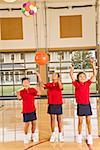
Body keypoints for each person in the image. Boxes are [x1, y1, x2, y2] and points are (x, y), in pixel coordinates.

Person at [69, 58, 96, 144]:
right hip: (80, 105)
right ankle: (79, 135)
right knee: (80, 122)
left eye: (84, 76)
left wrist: (92, 65)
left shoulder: (87, 83)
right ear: (78, 78)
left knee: (88, 121)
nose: (82, 77)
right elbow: (71, 75)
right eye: (80, 76)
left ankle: (89, 136)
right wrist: (72, 68)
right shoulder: (76, 84)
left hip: (87, 105)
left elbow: (95, 74)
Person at [36, 72, 64, 142]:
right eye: (53, 75)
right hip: (51, 103)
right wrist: (39, 76)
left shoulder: (59, 84)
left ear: (58, 77)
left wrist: (59, 80)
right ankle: (53, 134)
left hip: (58, 104)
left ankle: (60, 134)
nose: (53, 76)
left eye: (55, 75)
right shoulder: (50, 84)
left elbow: (61, 87)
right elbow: (42, 85)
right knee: (52, 119)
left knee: (59, 119)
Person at [16, 77, 40, 144]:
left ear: (29, 83)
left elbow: (38, 94)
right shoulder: (21, 91)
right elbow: (19, 98)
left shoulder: (32, 90)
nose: (26, 83)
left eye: (27, 82)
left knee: (34, 123)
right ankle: (25, 136)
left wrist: (37, 89)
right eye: (24, 82)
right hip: (26, 110)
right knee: (27, 124)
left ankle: (33, 135)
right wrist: (17, 93)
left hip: (33, 109)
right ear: (22, 84)